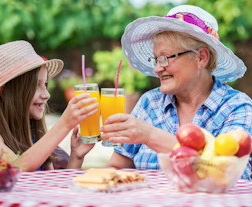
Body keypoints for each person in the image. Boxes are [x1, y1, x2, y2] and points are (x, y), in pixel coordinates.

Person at [101, 5, 252, 180]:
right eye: (156, 59)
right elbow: (116, 167)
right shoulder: (149, 103)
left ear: (201, 57)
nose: (157, 68)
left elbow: (228, 173)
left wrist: (150, 135)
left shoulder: (237, 106)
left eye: (165, 58)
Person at [0, 40, 98, 171]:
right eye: (35, 85)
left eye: (45, 84)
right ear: (4, 92)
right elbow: (18, 170)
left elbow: (52, 186)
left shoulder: (34, 136)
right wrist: (64, 123)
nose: (47, 94)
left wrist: (76, 157)